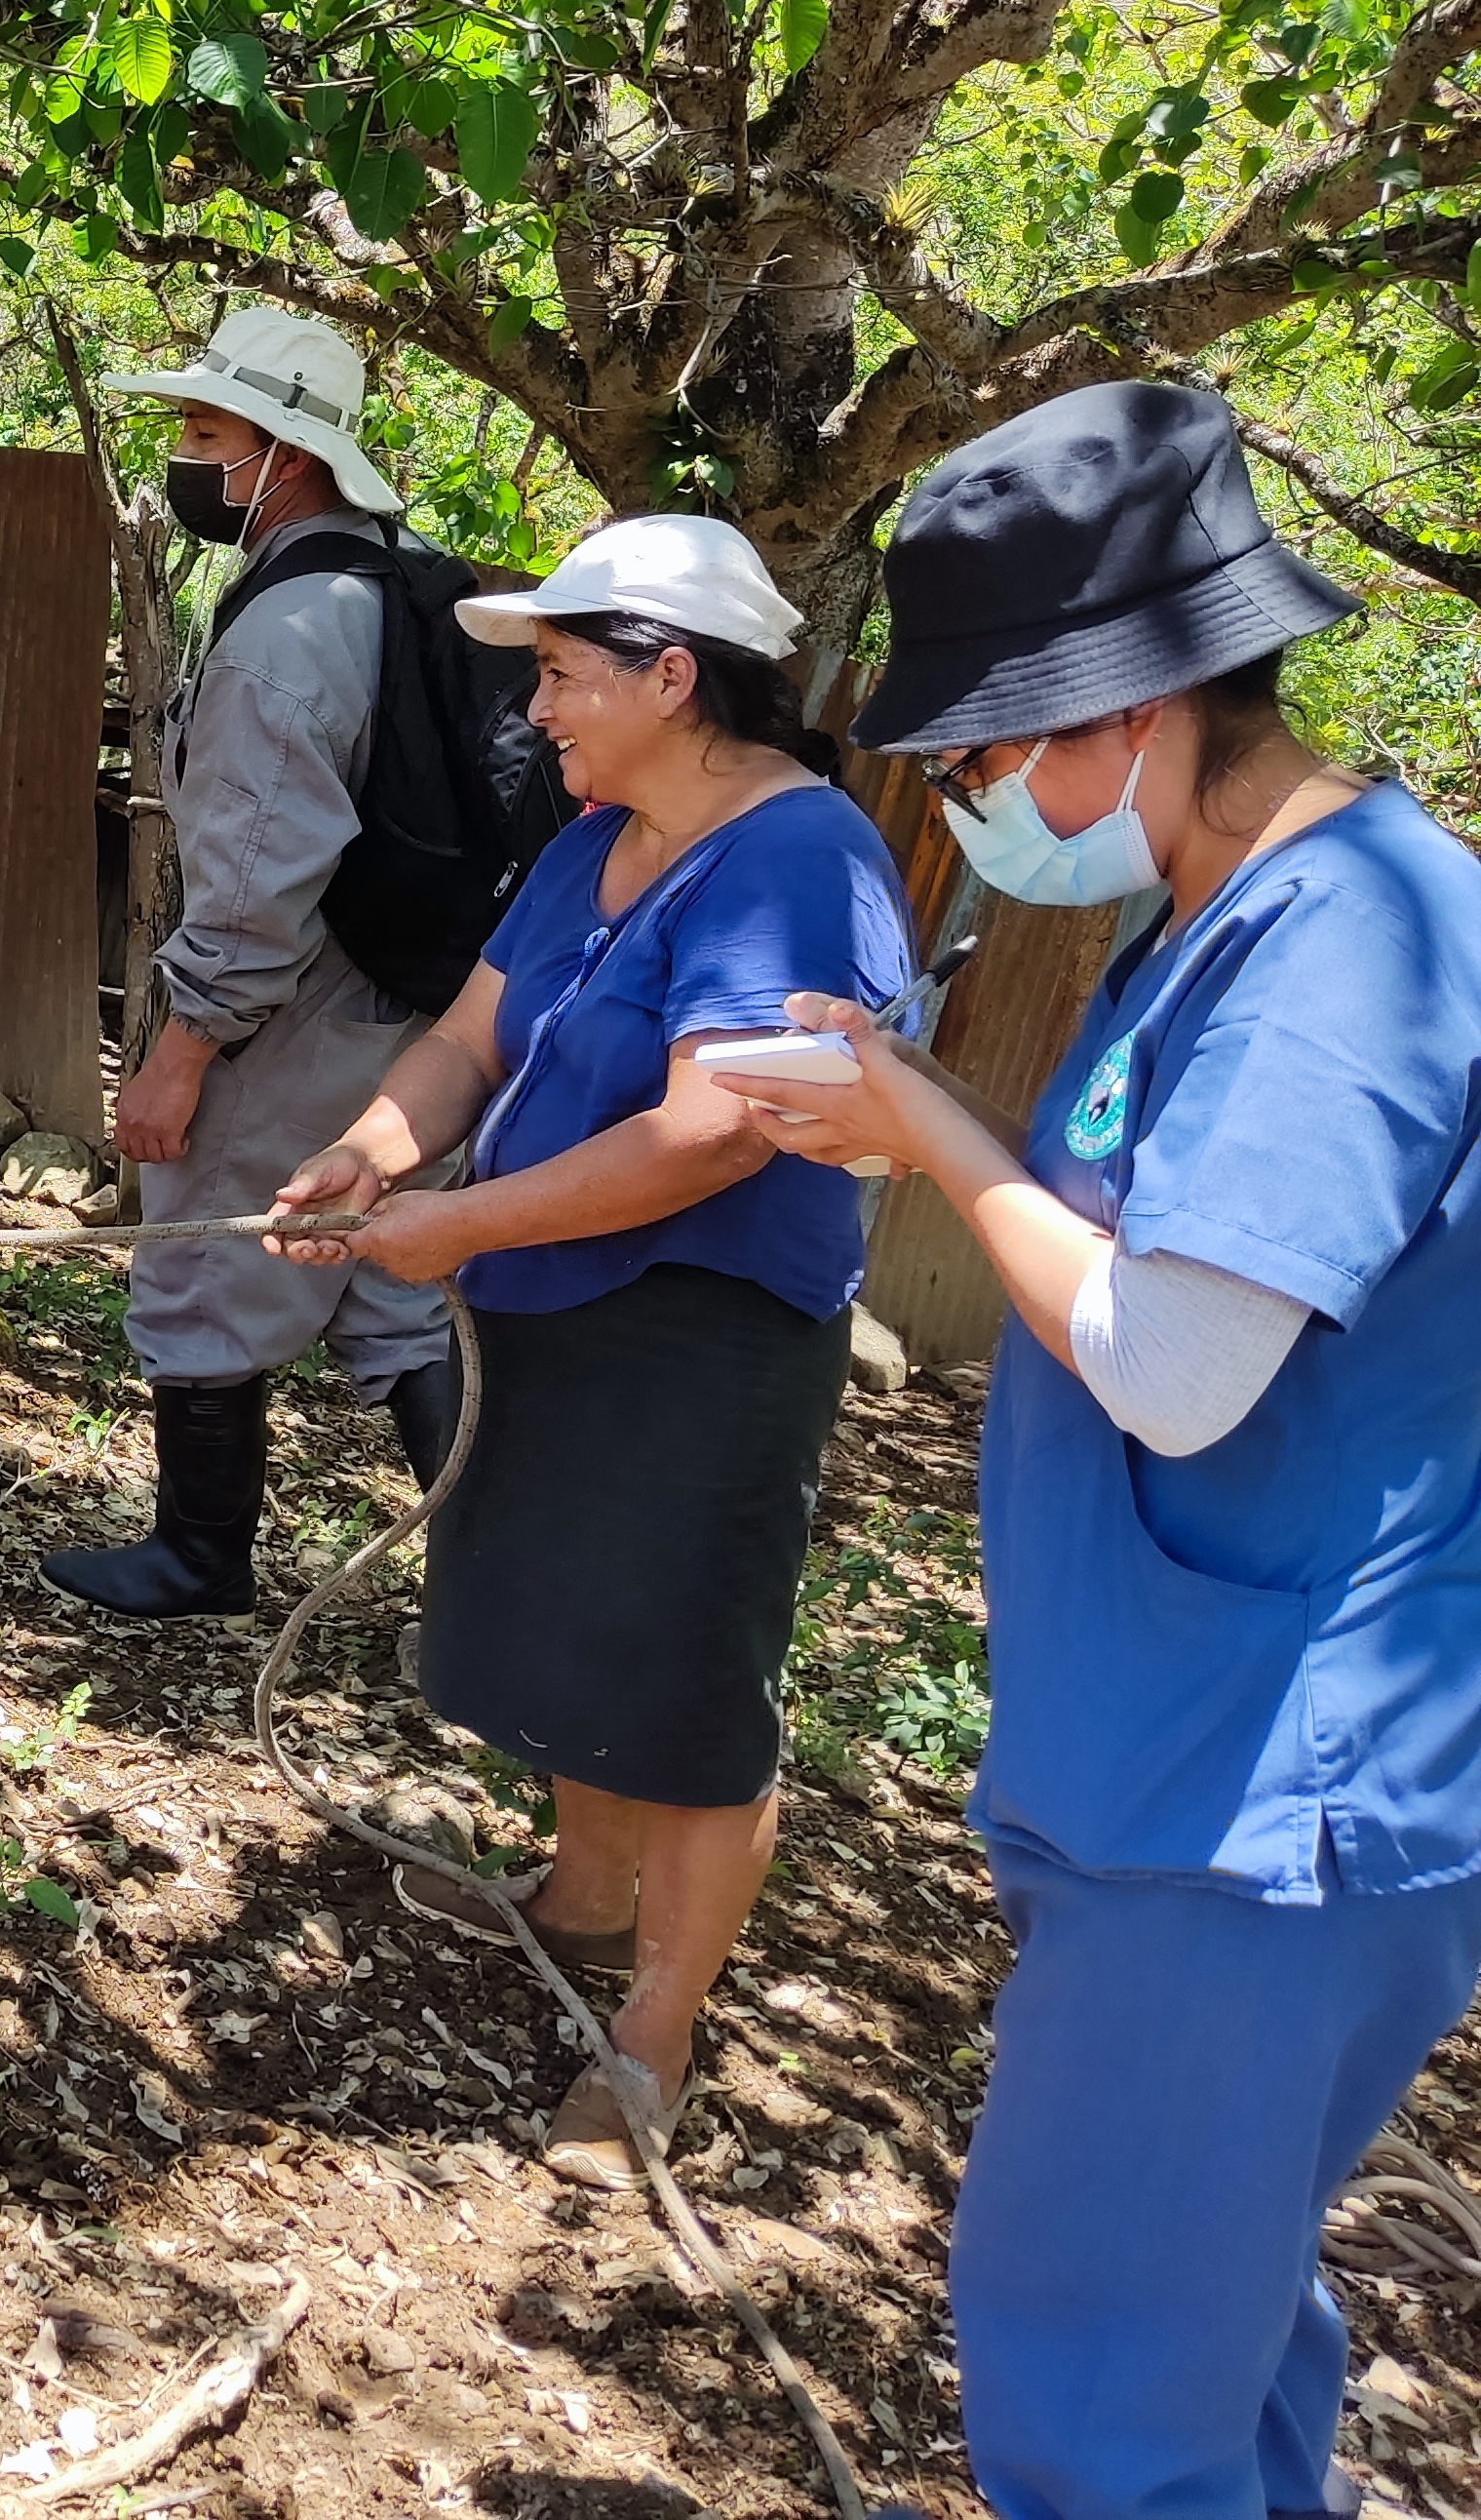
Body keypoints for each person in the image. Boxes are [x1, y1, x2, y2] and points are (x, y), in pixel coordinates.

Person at [716, 381, 1481, 2520]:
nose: (968, 797)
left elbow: (1171, 1362)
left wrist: (917, 1126)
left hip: (1253, 1808)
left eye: (977, 751)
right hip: (1182, 1757)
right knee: (1202, 2343)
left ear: (1124, 714)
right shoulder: (1219, 916)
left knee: (1094, 2404)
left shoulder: (1348, 952)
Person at [266, 513, 914, 2184]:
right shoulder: (597, 833)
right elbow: (475, 1033)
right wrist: (377, 1153)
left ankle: (656, 2038)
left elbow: (714, 1135)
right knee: (562, 1619)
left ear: (672, 674)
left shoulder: (797, 860)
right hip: (553, 1299)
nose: (536, 713)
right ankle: (580, 1894)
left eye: (560, 676)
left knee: (690, 1686)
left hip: (705, 1334)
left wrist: (456, 1228)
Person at [38, 310, 464, 1622]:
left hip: (299, 1014)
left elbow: (259, 878)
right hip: (425, 1015)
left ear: (286, 455)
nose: (182, 455)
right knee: (393, 1287)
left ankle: (199, 1553)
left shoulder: (291, 632)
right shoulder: (413, 578)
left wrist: (179, 1054)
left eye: (205, 432)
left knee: (203, 1265)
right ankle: (492, 1581)